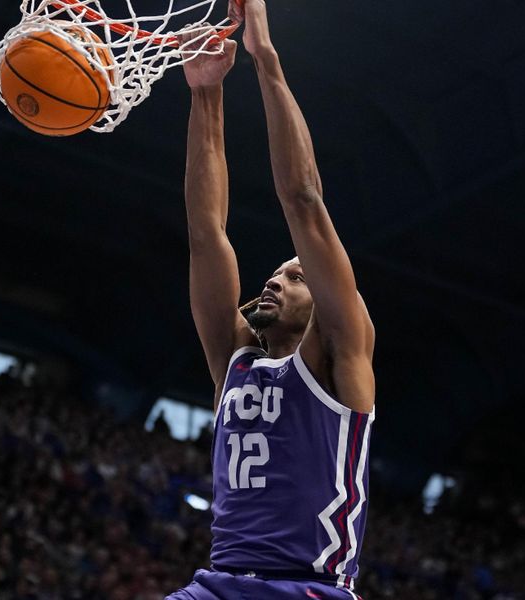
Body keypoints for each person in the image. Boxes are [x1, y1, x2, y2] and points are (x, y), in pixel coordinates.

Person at [168, 1, 376, 598]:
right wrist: (206, 92)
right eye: (279, 273)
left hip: (307, 587)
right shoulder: (234, 358)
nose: (276, 280)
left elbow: (304, 201)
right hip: (218, 583)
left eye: (297, 276)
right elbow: (206, 231)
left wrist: (266, 61)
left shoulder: (339, 354)